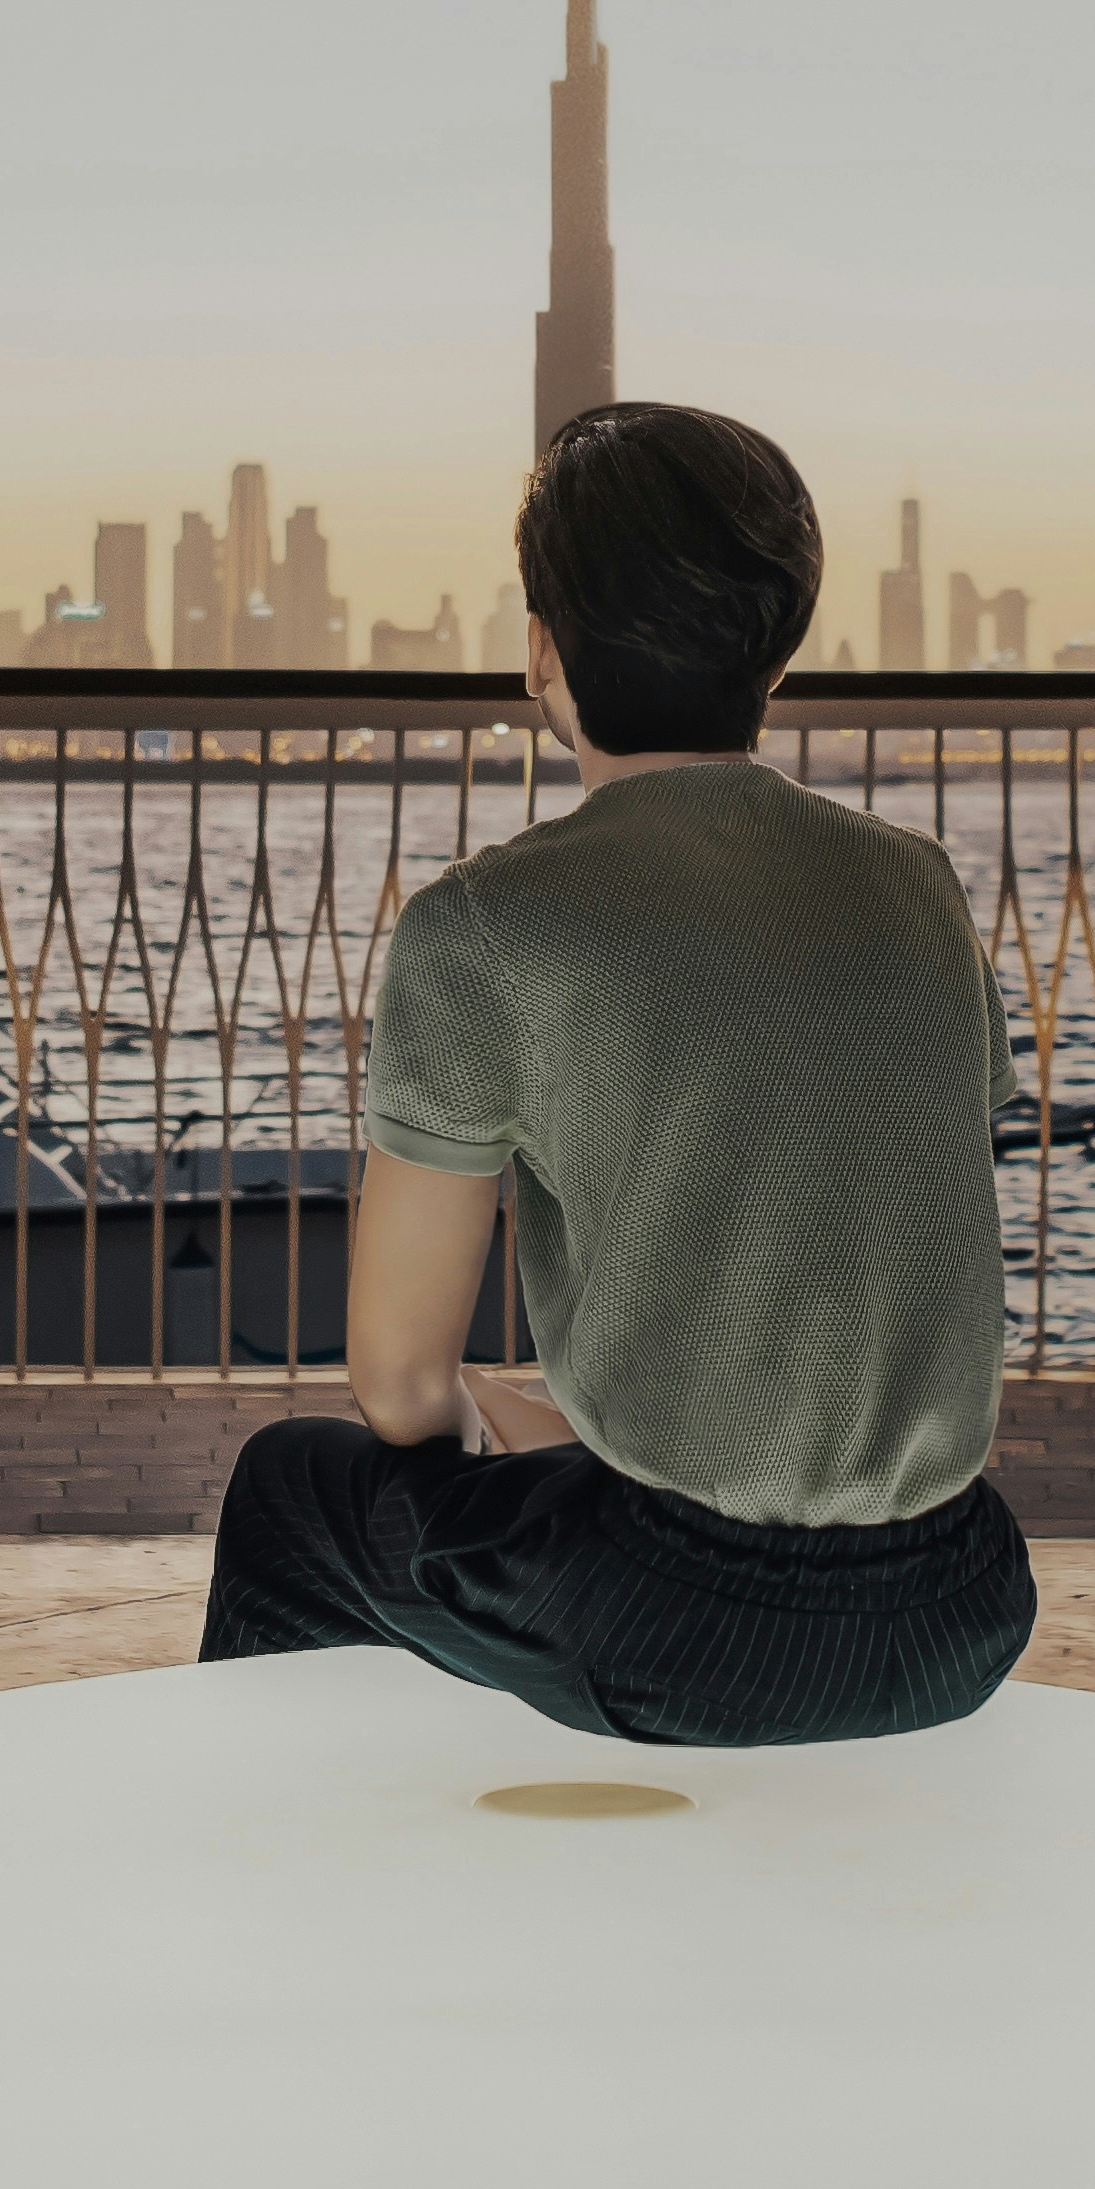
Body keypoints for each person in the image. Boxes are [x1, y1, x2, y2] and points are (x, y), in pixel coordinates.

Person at [199, 397, 1035, 1748]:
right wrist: (576, 1421)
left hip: (683, 1625)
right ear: (774, 654)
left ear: (541, 650)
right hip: (963, 1599)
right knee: (551, 1480)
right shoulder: (915, 887)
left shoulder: (487, 924)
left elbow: (399, 1388)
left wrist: (487, 1404)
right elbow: (836, 1274)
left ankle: (308, 1907)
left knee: (292, 1492)